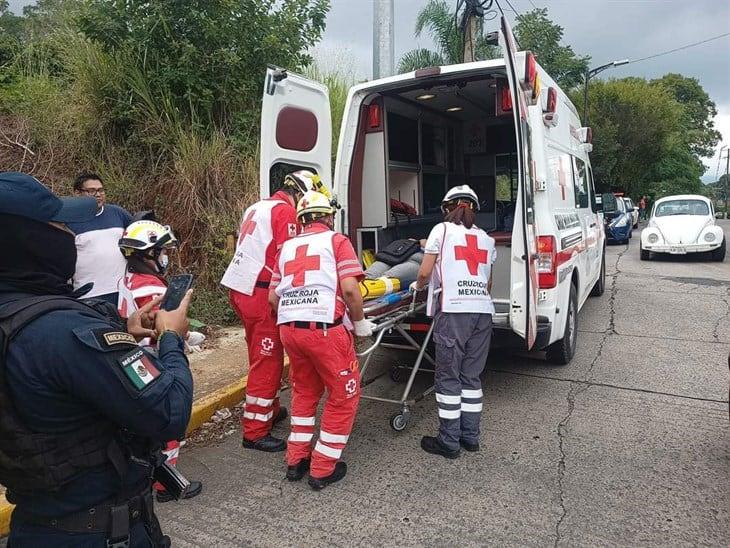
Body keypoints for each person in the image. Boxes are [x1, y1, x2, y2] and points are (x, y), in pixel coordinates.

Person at [0, 171, 194, 547]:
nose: (72, 236)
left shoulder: (22, 320)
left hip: (34, 525)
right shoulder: (66, 334)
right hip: (100, 533)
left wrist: (125, 325)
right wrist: (171, 336)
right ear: (29, 239)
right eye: (61, 224)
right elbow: (171, 410)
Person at [269, 190, 375, 490]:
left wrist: (295, 313)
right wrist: (360, 324)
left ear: (301, 220)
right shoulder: (336, 241)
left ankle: (296, 460)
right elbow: (352, 291)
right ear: (328, 216)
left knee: (304, 392)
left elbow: (272, 297)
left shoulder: (286, 248)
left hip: (289, 329)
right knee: (343, 396)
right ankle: (322, 468)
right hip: (324, 330)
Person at [221, 170, 329, 452]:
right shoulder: (285, 213)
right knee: (267, 359)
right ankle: (255, 431)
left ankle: (269, 409)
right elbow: (288, 256)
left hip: (241, 287)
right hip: (260, 291)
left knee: (258, 352)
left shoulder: (258, 206)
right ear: (302, 194)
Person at [117, 219, 204, 503]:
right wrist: (185, 335)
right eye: (163, 250)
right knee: (169, 418)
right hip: (155, 358)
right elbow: (164, 325)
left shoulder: (128, 279)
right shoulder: (150, 289)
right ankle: (167, 485)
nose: (166, 256)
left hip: (136, 359)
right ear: (149, 253)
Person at [410, 185, 496, 459]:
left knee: (448, 377)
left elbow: (425, 271)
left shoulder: (441, 230)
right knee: (471, 377)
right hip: (482, 312)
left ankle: (448, 442)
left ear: (447, 208)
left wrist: (417, 285)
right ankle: (470, 437)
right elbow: (489, 282)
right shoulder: (486, 239)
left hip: (454, 311)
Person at [66, 172, 133, 305]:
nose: (98, 194)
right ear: (77, 193)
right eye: (91, 191)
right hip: (89, 295)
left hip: (125, 291)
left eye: (101, 190)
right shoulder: (68, 221)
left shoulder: (118, 214)